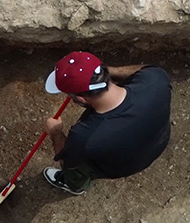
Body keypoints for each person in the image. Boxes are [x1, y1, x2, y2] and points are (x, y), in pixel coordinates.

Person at [41, 51, 172, 195]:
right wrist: (103, 74)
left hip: (121, 167)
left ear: (81, 99)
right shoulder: (156, 79)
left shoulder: (85, 136)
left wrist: (56, 133)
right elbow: (144, 69)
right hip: (158, 141)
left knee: (75, 171)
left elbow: (67, 162)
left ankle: (75, 185)